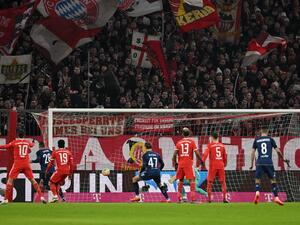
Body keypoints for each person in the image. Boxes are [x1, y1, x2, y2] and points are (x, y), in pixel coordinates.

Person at [0, 130, 46, 204]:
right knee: (33, 180)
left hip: (17, 164)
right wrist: (33, 143)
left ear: (17, 136)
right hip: (26, 164)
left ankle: (5, 199)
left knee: (10, 180)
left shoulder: (15, 142)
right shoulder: (27, 142)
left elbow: (6, 146)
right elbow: (32, 145)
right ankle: (41, 196)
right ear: (24, 135)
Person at [250, 128, 288, 206]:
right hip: (269, 162)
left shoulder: (257, 140)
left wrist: (251, 164)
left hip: (260, 162)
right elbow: (278, 151)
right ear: (267, 132)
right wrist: (283, 159)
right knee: (273, 180)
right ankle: (276, 197)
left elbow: (252, 152)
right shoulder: (270, 139)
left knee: (257, 179)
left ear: (261, 132)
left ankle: (257, 192)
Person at [172, 127, 202, 203]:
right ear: (189, 134)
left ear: (182, 134)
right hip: (188, 163)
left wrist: (175, 163)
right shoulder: (192, 142)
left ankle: (179, 199)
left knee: (180, 180)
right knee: (192, 180)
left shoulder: (179, 143)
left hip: (181, 164)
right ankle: (193, 199)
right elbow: (197, 153)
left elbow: (174, 155)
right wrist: (201, 161)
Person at [202, 131, 228, 203]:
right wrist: (225, 164)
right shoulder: (222, 145)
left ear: (212, 137)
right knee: (223, 182)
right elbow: (225, 156)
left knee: (210, 182)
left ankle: (209, 199)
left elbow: (205, 155)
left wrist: (202, 162)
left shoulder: (210, 145)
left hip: (213, 166)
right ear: (218, 137)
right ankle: (224, 198)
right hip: (221, 165)